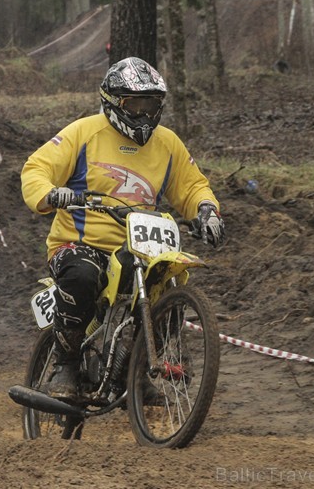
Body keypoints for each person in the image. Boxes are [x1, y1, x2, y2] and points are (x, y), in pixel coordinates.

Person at [20, 56, 224, 399]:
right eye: (136, 104)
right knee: (83, 275)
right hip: (79, 242)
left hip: (140, 245)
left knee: (169, 280)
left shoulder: (168, 143)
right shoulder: (84, 132)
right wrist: (51, 193)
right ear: (114, 103)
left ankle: (135, 372)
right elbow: (36, 168)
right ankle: (65, 364)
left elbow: (191, 186)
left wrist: (207, 210)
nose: (145, 114)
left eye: (152, 105)